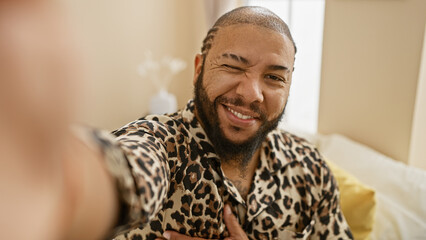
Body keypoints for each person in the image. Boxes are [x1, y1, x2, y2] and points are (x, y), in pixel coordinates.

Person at [0, 1, 352, 239]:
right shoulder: (161, 145)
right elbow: (127, 171)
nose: (252, 93)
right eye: (233, 66)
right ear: (199, 69)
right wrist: (57, 185)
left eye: (274, 77)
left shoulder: (310, 169)